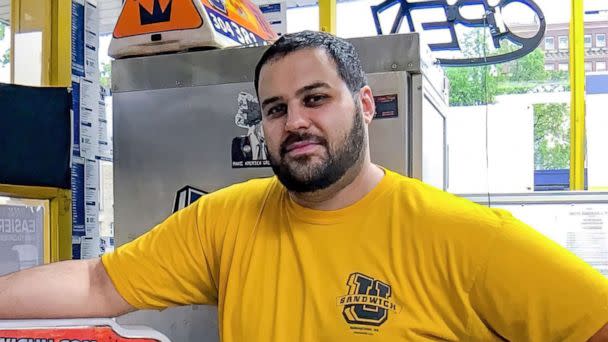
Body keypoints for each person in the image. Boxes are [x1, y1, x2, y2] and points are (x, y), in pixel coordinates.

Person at [1, 30, 608, 341]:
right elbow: (100, 283)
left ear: (364, 103)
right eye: (275, 108)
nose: (295, 122)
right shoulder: (225, 221)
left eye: (315, 99)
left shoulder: (462, 237)